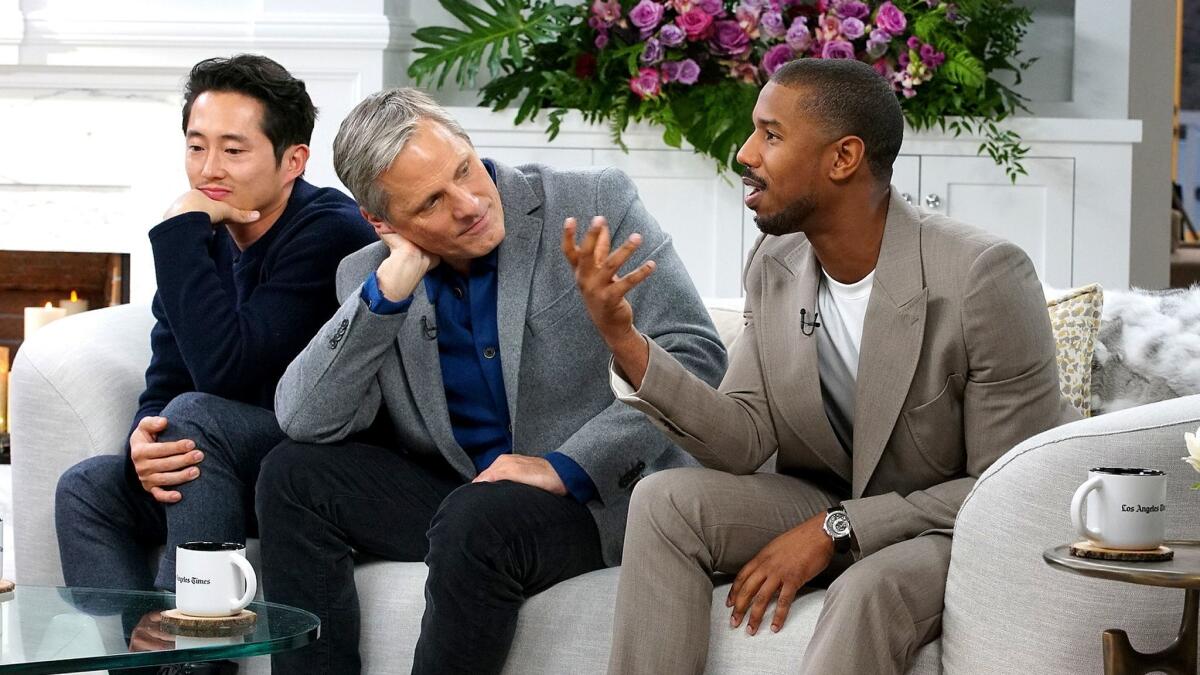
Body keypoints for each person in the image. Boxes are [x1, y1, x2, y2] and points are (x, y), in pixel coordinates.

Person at [565, 58, 1081, 675]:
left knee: (869, 587)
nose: (744, 153)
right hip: (825, 497)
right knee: (665, 499)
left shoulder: (982, 276)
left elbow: (1004, 486)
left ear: (843, 159)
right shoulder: (774, 261)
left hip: (948, 526)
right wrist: (624, 339)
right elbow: (743, 437)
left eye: (771, 135)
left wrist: (834, 529)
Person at [253, 87, 727, 674]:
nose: (469, 203)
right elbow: (304, 419)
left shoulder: (592, 201)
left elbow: (697, 354)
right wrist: (389, 288)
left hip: (597, 498)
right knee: (291, 475)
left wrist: (562, 466)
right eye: (430, 203)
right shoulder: (369, 274)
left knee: (476, 521)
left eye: (464, 170)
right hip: (468, 496)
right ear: (382, 223)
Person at [54, 54, 376, 606]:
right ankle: (141, 666)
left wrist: (180, 231)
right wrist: (142, 442)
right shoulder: (208, 240)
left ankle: (192, 660)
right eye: (196, 146)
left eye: (233, 150)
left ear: (293, 159)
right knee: (86, 487)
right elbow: (167, 378)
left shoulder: (330, 232)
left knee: (196, 419)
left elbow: (228, 366)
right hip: (215, 461)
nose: (208, 171)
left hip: (310, 464)